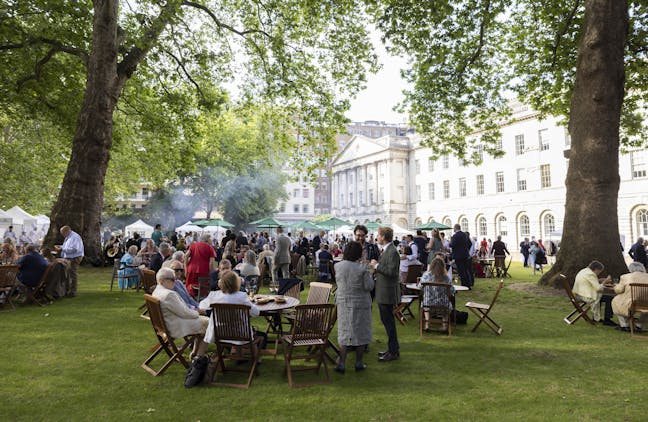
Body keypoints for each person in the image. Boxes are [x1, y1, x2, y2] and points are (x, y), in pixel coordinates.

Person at [152, 268, 209, 376]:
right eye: (172, 279)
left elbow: (183, 311)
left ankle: (195, 353)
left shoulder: (157, 291)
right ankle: (198, 358)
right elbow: (184, 313)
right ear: (162, 280)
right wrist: (198, 313)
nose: (175, 281)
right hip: (175, 326)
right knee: (210, 324)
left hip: (168, 324)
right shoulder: (169, 294)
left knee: (204, 324)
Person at [333, 241, 374, 373]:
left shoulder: (337, 266)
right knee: (360, 332)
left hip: (343, 302)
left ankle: (342, 363)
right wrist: (370, 273)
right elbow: (369, 286)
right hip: (360, 303)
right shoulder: (362, 269)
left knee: (344, 331)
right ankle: (358, 362)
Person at [199, 271, 260, 345]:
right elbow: (256, 313)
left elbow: (201, 306)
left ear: (221, 283)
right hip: (241, 334)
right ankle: (246, 353)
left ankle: (233, 351)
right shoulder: (241, 296)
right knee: (255, 334)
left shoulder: (214, 296)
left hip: (219, 333)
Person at [369, 226, 401, 362]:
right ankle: (392, 349)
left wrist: (376, 266)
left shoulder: (392, 251)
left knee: (389, 323)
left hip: (387, 292)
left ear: (383, 236)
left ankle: (393, 351)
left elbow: (392, 272)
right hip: (383, 290)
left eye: (378, 235)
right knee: (387, 322)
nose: (377, 237)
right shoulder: (388, 250)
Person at [573, 260, 616, 325]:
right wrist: (605, 282)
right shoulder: (591, 274)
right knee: (609, 298)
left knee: (601, 297)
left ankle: (595, 317)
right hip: (585, 296)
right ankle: (607, 320)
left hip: (578, 294)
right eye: (599, 271)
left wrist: (599, 280)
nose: (599, 273)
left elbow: (587, 282)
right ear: (596, 269)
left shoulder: (584, 271)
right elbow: (598, 288)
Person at [419, 257, 455, 332]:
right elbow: (452, 291)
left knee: (425, 304)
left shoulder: (426, 275)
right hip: (443, 305)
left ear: (431, 265)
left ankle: (427, 324)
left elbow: (420, 287)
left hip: (428, 304)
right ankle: (444, 326)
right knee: (448, 305)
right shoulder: (446, 278)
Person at [612, 262, 648, 331]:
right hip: (646, 303)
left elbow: (619, 290)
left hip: (632, 302)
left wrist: (615, 286)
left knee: (616, 301)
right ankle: (639, 325)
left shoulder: (625, 277)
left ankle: (625, 325)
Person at [55, 225, 84, 297]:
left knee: (72, 274)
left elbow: (74, 249)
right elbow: (68, 247)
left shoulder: (74, 237)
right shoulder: (69, 237)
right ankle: (68, 290)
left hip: (74, 257)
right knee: (68, 274)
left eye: (63, 233)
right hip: (70, 257)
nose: (63, 235)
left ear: (67, 231)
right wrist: (61, 246)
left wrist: (62, 249)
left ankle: (72, 291)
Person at [185, 233, 217, 298]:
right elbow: (211, 263)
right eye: (211, 239)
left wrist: (186, 268)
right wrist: (212, 273)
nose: (212, 240)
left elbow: (186, 256)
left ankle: (189, 298)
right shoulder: (210, 248)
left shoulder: (193, 245)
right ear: (208, 240)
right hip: (204, 270)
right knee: (203, 287)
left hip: (191, 269)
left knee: (190, 285)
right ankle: (201, 299)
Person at [450, 224, 473, 289]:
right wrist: (466, 250)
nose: (453, 230)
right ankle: (468, 284)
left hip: (458, 256)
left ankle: (464, 285)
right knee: (466, 270)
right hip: (465, 255)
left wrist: (450, 243)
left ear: (455, 228)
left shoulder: (455, 236)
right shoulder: (465, 235)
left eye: (454, 228)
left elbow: (452, 244)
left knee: (461, 271)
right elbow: (470, 244)